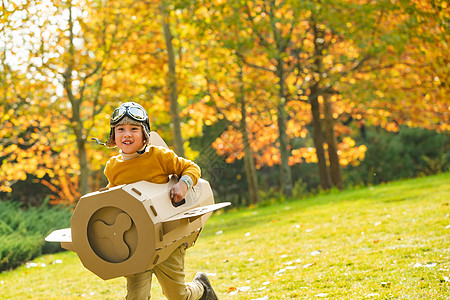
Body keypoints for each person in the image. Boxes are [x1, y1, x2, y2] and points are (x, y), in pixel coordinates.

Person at [101, 102, 218, 300]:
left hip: (167, 240)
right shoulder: (112, 167)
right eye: (120, 129)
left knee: (178, 296)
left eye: (134, 129)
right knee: (136, 297)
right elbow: (114, 196)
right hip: (136, 243)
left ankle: (202, 288)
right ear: (113, 136)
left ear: (145, 133)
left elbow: (192, 168)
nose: (127, 134)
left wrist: (183, 185)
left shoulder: (158, 156)